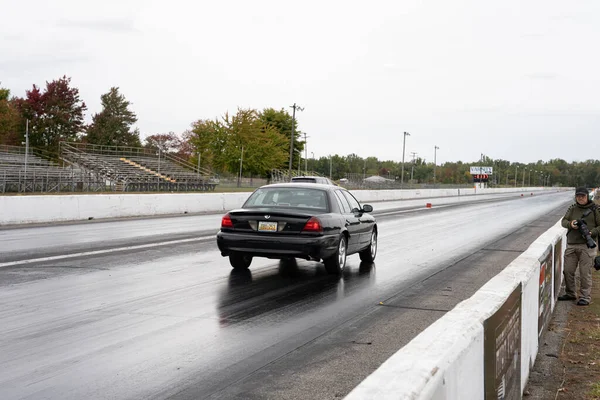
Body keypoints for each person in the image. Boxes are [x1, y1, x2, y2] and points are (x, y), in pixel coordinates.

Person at [559, 187, 600, 306]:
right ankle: (571, 293)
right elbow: (564, 221)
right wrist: (571, 224)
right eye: (578, 196)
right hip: (572, 244)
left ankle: (585, 297)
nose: (580, 198)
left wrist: (592, 232)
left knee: (584, 273)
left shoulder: (595, 209)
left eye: (583, 196)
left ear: (587, 196)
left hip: (587, 246)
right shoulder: (572, 208)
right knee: (568, 271)